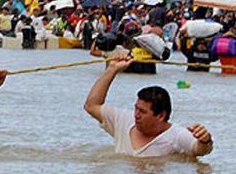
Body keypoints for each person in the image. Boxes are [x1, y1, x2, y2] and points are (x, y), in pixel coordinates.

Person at [84, 57, 213, 157]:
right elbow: (91, 106)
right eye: (136, 108)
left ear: (161, 116)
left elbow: (199, 150)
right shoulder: (123, 120)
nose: (136, 114)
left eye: (142, 111)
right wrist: (112, 69)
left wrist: (205, 141)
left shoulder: (176, 136)